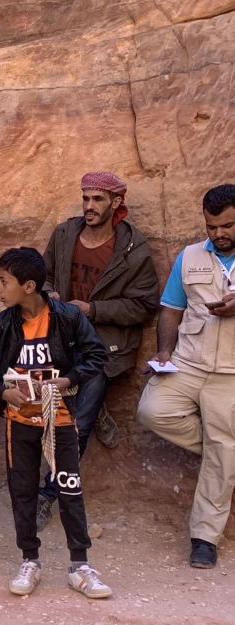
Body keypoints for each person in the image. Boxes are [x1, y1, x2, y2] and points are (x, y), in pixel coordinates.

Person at [0, 248, 112, 598]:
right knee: (24, 491)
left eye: (4, 282)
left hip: (60, 418)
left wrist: (69, 379)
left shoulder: (67, 318)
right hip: (19, 422)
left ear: (29, 286)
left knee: (69, 488)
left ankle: (80, 565)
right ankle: (29, 559)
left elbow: (96, 355)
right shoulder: (1, 324)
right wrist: (2, 392)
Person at [37, 171, 160, 529]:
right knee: (46, 417)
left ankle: (49, 494)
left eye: (98, 199)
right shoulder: (64, 234)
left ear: (116, 203)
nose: (89, 206)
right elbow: (41, 274)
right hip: (60, 341)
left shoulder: (133, 249)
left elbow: (144, 304)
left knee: (77, 427)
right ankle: (95, 403)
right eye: (86, 198)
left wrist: (93, 310)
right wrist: (50, 295)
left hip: (104, 349)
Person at [137, 183, 235, 570]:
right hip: (189, 363)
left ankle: (204, 538)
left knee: (224, 448)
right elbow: (170, 310)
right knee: (152, 410)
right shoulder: (190, 256)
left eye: (228, 225)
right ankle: (224, 454)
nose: (219, 234)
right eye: (212, 227)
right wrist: (164, 352)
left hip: (231, 373)